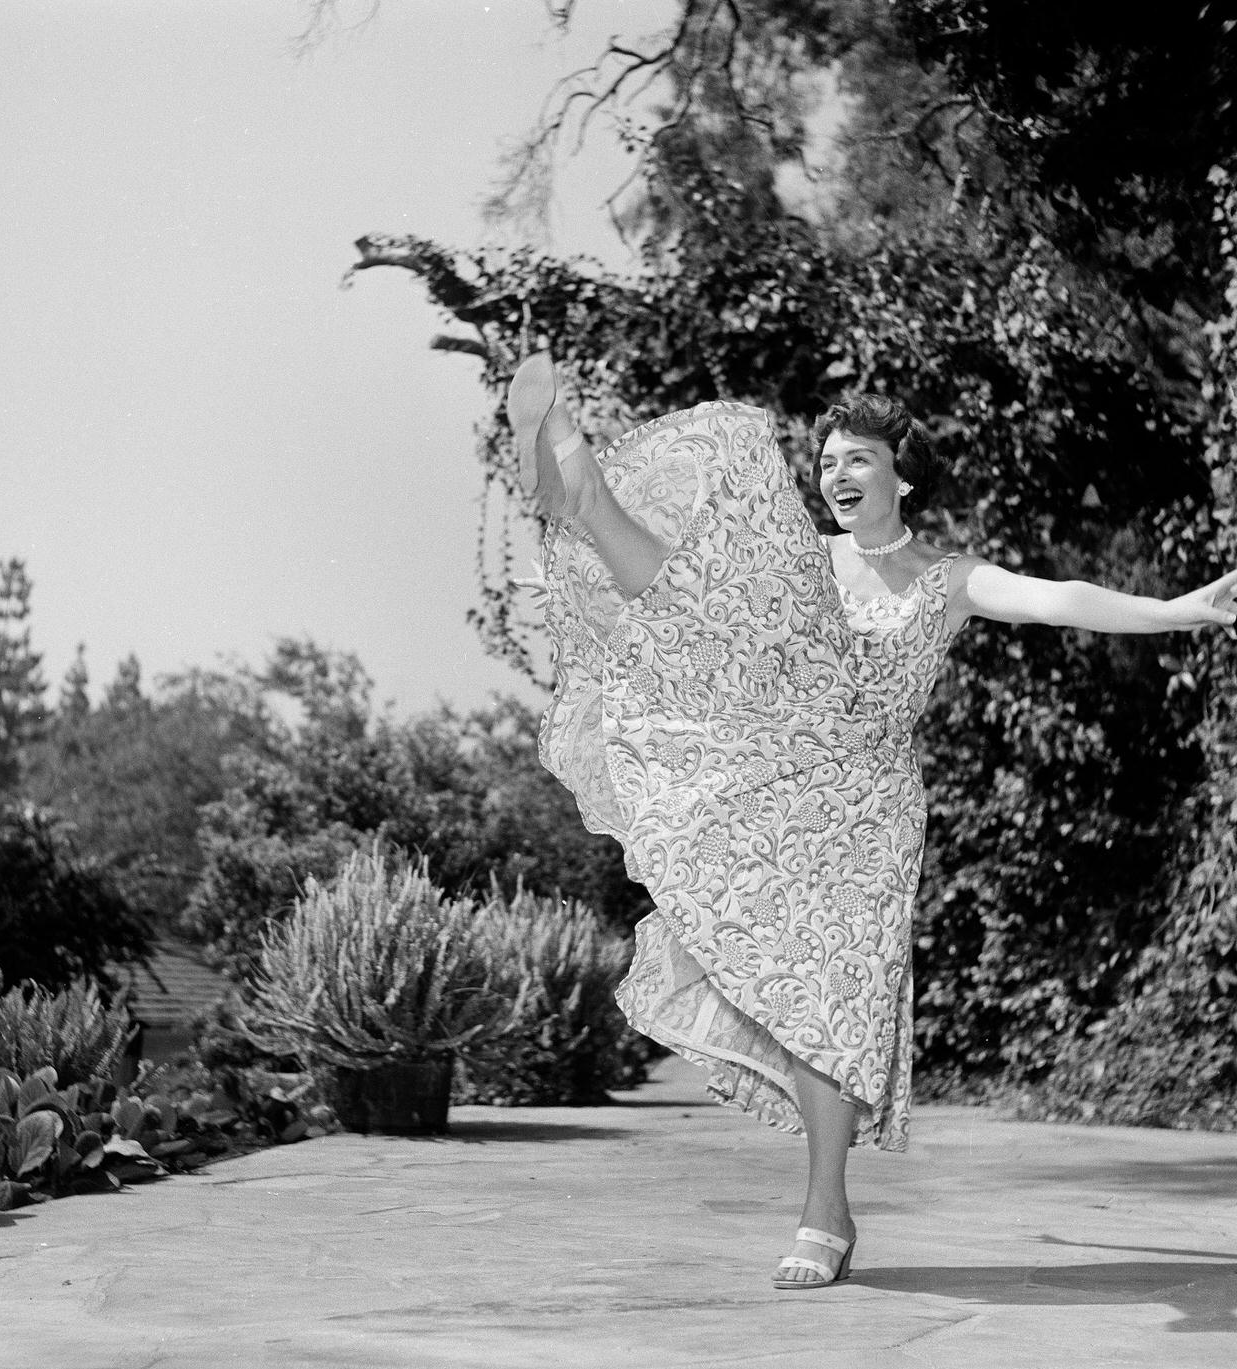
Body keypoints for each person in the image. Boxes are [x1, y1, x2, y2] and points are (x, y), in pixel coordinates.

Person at [506, 352, 1237, 1291]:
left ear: (903, 474)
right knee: (692, 594)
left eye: (857, 458)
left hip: (872, 807)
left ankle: (825, 1208)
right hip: (781, 783)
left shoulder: (950, 577)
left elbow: (1059, 601)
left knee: (838, 998)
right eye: (825, 462)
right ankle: (584, 487)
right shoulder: (805, 562)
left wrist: (1176, 611)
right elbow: (705, 607)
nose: (836, 474)